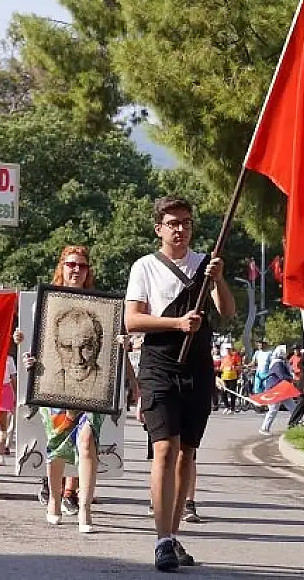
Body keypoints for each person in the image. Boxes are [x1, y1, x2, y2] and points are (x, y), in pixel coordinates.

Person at [124, 196, 235, 571]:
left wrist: (218, 280)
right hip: (158, 366)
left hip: (198, 370)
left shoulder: (206, 264)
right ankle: (162, 540)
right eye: (172, 223)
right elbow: (132, 321)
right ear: (159, 228)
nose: (180, 229)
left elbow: (228, 312)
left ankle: (171, 534)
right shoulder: (145, 267)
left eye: (185, 222)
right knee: (165, 450)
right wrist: (176, 324)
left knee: (188, 454)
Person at [23, 246, 107, 533]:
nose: (76, 269)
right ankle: (55, 499)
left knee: (87, 442)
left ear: (88, 271)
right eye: (71, 264)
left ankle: (85, 507)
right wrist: (29, 355)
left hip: (92, 389)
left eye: (82, 265)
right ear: (62, 266)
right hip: (55, 384)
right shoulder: (46, 303)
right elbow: (38, 342)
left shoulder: (103, 306)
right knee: (57, 444)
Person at [258, 345, 296, 434]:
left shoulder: (281, 362)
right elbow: (282, 376)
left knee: (293, 407)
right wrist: (291, 377)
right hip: (274, 389)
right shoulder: (277, 363)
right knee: (273, 409)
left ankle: (297, 423)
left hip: (281, 389)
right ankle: (264, 428)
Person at [219, 345, 240, 413]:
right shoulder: (224, 358)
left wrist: (234, 367)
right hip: (224, 377)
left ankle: (232, 408)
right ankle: (227, 406)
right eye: (226, 349)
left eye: (229, 349)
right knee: (223, 392)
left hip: (233, 377)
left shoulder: (235, 356)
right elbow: (221, 368)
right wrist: (219, 370)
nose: (227, 350)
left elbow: (239, 367)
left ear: (231, 349)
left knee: (232, 393)